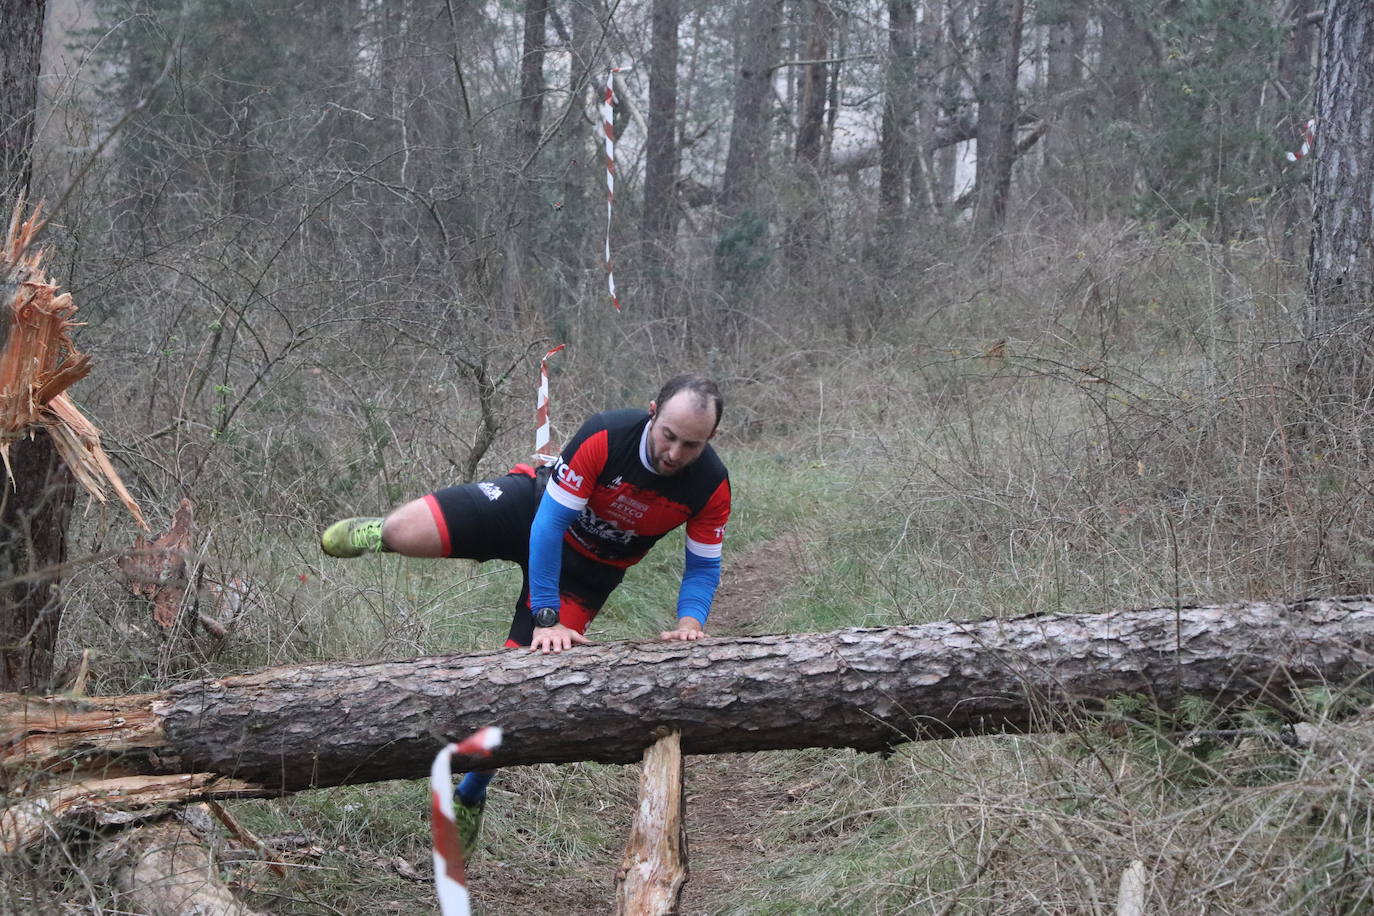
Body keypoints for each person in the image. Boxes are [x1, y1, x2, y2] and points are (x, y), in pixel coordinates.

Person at [319, 373, 731, 850]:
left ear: (711, 439)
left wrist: (689, 624)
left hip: (588, 574)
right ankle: (382, 533)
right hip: (530, 511)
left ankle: (471, 793)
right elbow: (550, 524)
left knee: (525, 689)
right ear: (652, 411)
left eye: (691, 445)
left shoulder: (710, 483)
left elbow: (701, 568)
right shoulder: (606, 435)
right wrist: (546, 616)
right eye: (669, 436)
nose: (675, 453)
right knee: (406, 530)